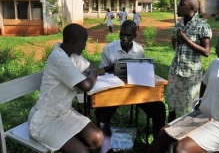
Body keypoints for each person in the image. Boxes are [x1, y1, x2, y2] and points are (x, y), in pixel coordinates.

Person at [28, 23, 105, 153]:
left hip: (65, 114)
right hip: (45, 120)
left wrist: (89, 72)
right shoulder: (59, 58)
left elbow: (89, 67)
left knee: (97, 138)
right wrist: (95, 72)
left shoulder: (72, 55)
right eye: (84, 42)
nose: (85, 46)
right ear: (75, 42)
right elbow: (86, 85)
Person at [94, 20, 166, 153]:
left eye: (128, 35)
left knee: (159, 108)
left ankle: (157, 145)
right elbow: (101, 73)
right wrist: (111, 68)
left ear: (135, 35)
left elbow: (141, 70)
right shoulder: (109, 49)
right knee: (102, 113)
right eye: (122, 34)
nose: (124, 38)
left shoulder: (139, 50)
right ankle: (106, 148)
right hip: (113, 91)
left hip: (134, 91)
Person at [166, 0, 212, 123]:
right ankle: (169, 134)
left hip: (191, 74)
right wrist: (174, 42)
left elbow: (206, 52)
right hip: (175, 71)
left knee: (188, 108)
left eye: (182, 4)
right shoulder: (179, 23)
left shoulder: (202, 25)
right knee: (172, 105)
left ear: (192, 8)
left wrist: (186, 40)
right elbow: (176, 46)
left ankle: (182, 136)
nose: (178, 7)